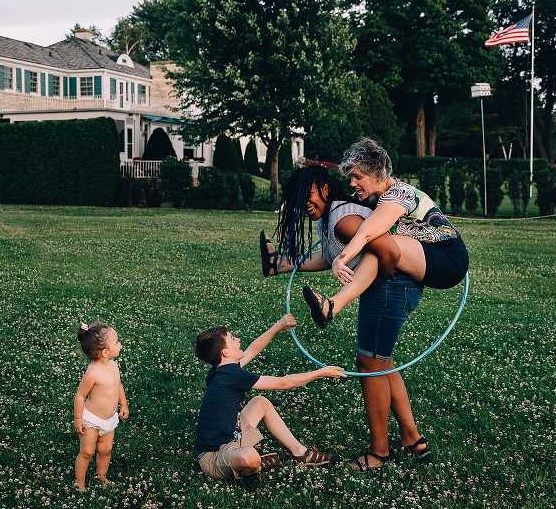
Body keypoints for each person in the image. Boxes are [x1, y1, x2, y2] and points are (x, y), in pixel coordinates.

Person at [260, 165, 432, 471]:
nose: (303, 205)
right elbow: (331, 256)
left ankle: (379, 453)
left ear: (325, 190)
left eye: (308, 196)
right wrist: (282, 264)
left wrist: (374, 287)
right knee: (382, 360)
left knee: (370, 362)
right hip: (387, 286)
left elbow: (388, 252)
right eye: (298, 200)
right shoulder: (332, 217)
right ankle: (412, 438)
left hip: (392, 284)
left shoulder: (344, 220)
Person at [289, 138, 469, 330]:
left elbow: (366, 233)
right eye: (350, 177)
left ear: (377, 173)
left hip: (448, 259)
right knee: (382, 245)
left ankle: (333, 305)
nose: (352, 183)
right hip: (423, 253)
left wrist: (341, 259)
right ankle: (329, 304)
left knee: (382, 245)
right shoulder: (367, 195)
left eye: (358, 177)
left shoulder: (399, 195)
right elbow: (342, 207)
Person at [194, 314, 346, 480]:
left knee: (260, 402)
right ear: (226, 352)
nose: (238, 339)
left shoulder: (222, 370)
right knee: (249, 456)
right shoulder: (230, 375)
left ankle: (300, 453)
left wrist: (278, 326)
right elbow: (283, 383)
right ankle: (256, 465)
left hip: (232, 437)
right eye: (232, 338)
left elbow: (253, 349)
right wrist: (321, 373)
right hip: (214, 457)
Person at [73, 322, 129, 492]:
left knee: (106, 449)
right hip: (92, 419)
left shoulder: (114, 366)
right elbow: (80, 396)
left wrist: (124, 404)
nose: (120, 345)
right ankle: (79, 481)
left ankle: (101, 476)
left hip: (109, 418)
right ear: (105, 352)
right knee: (88, 451)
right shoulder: (92, 373)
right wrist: (78, 418)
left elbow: (118, 386)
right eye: (117, 342)